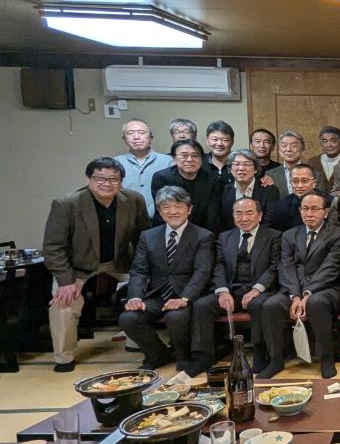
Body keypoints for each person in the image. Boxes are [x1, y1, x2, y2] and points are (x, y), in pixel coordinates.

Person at [43, 157, 150, 371]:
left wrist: (143, 271)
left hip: (119, 263)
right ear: (88, 179)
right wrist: (65, 281)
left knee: (145, 289)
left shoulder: (134, 200)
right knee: (63, 303)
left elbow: (144, 238)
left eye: (113, 179)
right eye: (100, 178)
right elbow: (53, 247)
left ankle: (135, 341)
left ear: (121, 181)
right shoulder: (67, 204)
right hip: (78, 267)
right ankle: (64, 357)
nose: (106, 184)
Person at [119, 186, 214, 372]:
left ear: (189, 209)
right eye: (166, 207)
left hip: (187, 296)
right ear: (160, 212)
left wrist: (184, 298)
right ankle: (157, 354)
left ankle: (183, 356)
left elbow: (202, 271)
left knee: (175, 317)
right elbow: (139, 271)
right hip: (158, 295)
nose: (173, 211)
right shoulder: (148, 236)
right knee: (128, 318)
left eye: (178, 206)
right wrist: (135, 297)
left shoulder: (203, 236)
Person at [189, 196, 281, 375]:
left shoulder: (274, 236)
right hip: (232, 290)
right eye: (239, 213)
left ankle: (260, 352)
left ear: (260, 215)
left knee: (257, 304)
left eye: (249, 213)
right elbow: (218, 265)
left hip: (261, 290)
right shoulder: (225, 237)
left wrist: (256, 289)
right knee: (202, 305)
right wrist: (222, 291)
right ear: (233, 216)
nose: (244, 218)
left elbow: (274, 267)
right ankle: (203, 356)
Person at [261, 192, 340, 378]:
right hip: (293, 290)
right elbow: (286, 267)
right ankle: (275, 360)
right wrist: (295, 296)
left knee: (316, 303)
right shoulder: (289, 235)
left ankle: (326, 358)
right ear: (299, 211)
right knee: (270, 305)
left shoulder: (338, 235)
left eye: (315, 209)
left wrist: (307, 294)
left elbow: (330, 268)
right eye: (305, 209)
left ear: (325, 212)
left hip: (325, 288)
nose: (309, 213)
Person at [151, 139, 224, 232]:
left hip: (202, 232)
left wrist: (205, 236)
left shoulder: (212, 179)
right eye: (184, 155)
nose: (190, 160)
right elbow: (163, 211)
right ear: (174, 158)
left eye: (195, 155)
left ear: (201, 159)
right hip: (168, 230)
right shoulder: (162, 178)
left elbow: (213, 215)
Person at [115, 119, 173, 216]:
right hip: (127, 216)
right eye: (130, 133)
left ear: (150, 137)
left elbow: (172, 193)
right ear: (124, 139)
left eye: (141, 132)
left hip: (160, 217)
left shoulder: (167, 161)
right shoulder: (116, 163)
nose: (136, 137)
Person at [221, 150, 278, 226]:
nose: (241, 168)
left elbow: (269, 221)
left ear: (255, 169)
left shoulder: (269, 190)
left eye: (246, 164)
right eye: (236, 164)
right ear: (230, 169)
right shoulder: (225, 190)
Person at [269, 163, 327, 233]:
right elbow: (277, 232)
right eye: (295, 181)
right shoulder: (283, 205)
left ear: (314, 183)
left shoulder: (328, 201)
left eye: (304, 181)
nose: (299, 186)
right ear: (290, 183)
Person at [272, 130, 328, 196]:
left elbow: (320, 199)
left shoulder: (316, 174)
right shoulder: (270, 174)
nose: (288, 149)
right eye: (284, 145)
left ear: (303, 149)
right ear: (279, 150)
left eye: (294, 146)